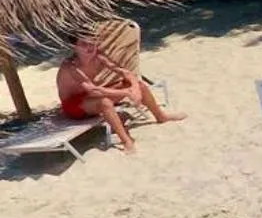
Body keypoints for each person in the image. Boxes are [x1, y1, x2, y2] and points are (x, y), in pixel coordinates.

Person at [54, 34, 184, 153]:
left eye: (92, 43)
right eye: (84, 44)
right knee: (104, 102)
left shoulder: (98, 56)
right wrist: (127, 92)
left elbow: (125, 73)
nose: (89, 47)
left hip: (90, 96)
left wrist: (135, 88)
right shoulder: (70, 66)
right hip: (73, 106)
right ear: (74, 47)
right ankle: (126, 140)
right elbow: (93, 90)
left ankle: (161, 117)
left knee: (139, 85)